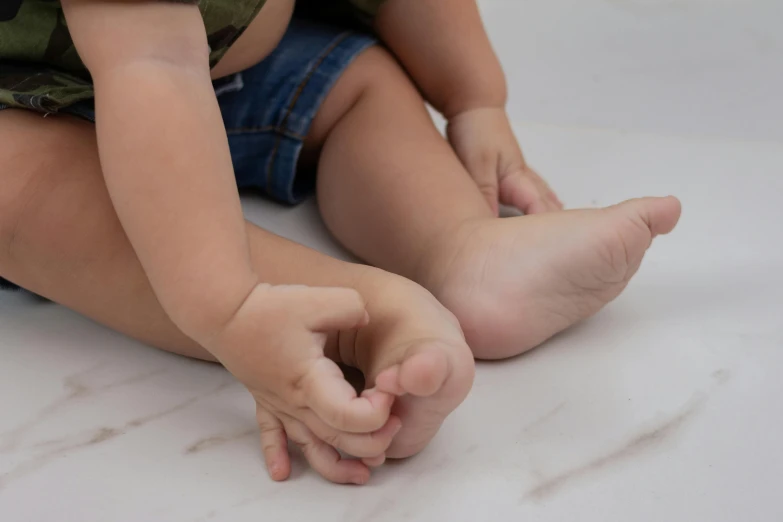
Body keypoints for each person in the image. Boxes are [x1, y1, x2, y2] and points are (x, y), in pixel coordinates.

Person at [0, 0, 681, 485]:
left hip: (226, 67)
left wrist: (474, 101)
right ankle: (350, 319)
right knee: (24, 193)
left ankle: (465, 249)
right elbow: (149, 64)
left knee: (356, 82)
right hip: (31, 100)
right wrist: (228, 306)